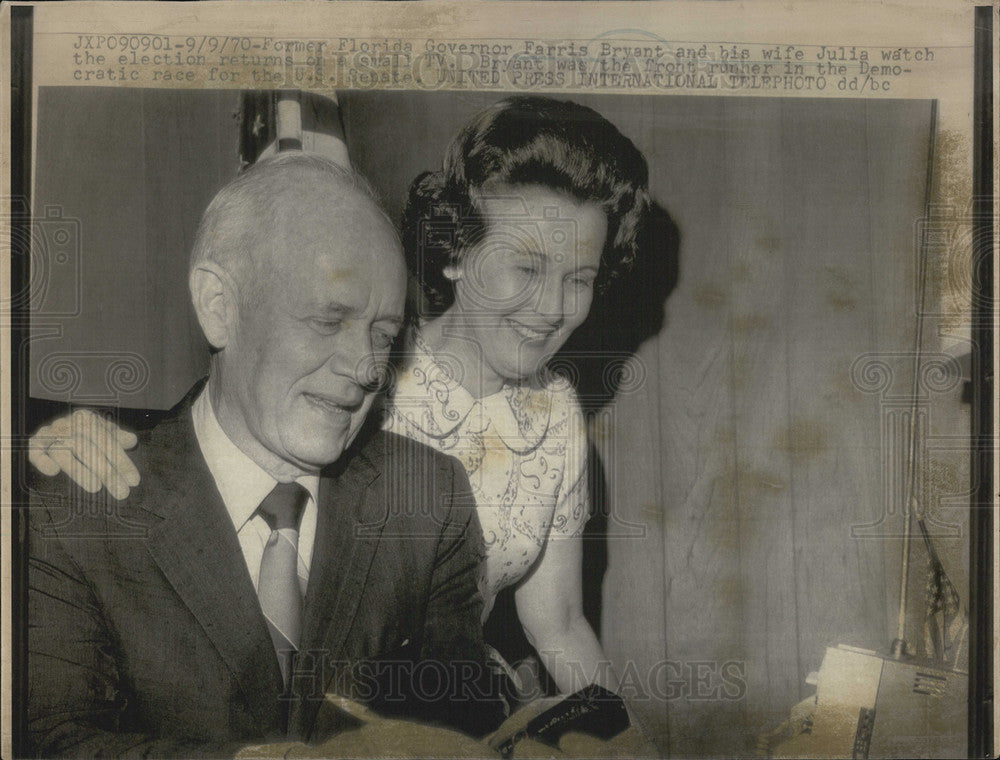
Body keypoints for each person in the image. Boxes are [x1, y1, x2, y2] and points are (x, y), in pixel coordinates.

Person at [30, 96, 652, 704]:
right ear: (457, 250)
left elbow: (560, 623)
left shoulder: (557, 415)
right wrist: (70, 438)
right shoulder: (363, 369)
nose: (552, 309)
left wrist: (627, 748)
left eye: (580, 280)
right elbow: (220, 441)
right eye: (527, 268)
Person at [26, 152, 505, 758]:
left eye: (384, 335)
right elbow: (47, 742)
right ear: (219, 306)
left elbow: (457, 730)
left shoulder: (427, 501)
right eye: (329, 319)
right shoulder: (78, 503)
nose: (365, 369)